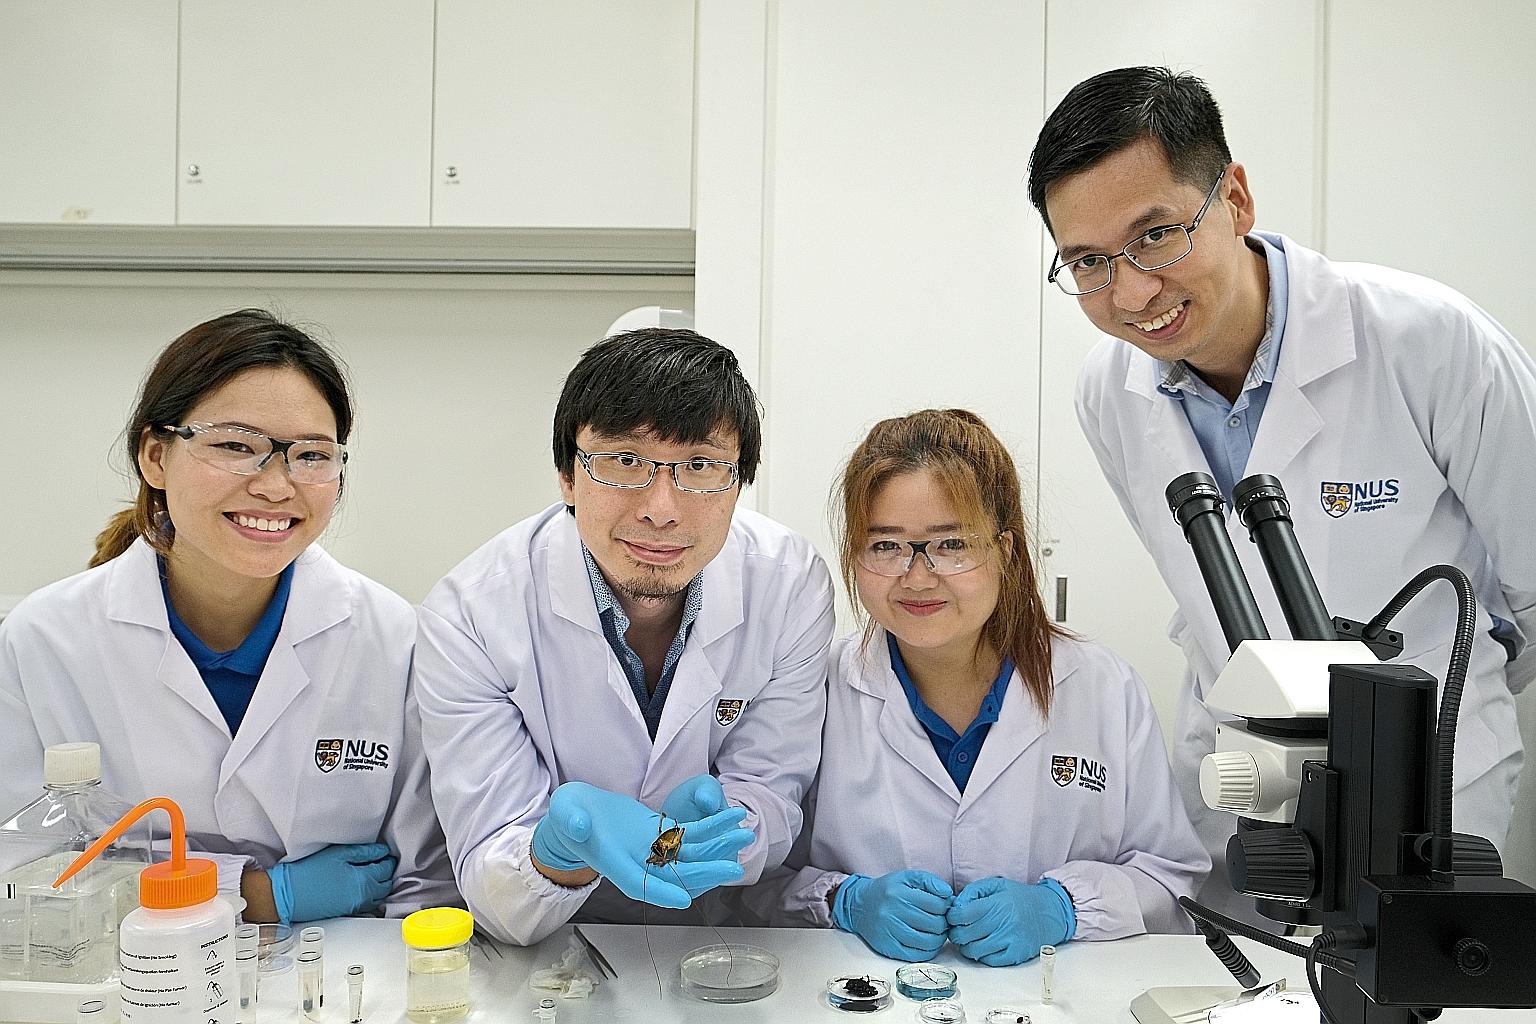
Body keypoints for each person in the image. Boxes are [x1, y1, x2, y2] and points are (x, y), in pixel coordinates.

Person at [1028, 66, 1536, 918]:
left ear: (1234, 197)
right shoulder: (1107, 389)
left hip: (1426, 787)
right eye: (1087, 261)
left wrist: (1440, 713)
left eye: (1155, 235)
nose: (1131, 292)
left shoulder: (1429, 342)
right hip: (1237, 772)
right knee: (1235, 995)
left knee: (1402, 998)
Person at [0, 310, 456, 924]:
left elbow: (427, 884)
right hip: (133, 991)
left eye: (312, 455)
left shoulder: (395, 640)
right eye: (236, 446)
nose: (276, 486)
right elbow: (19, 879)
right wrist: (254, 896)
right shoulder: (45, 641)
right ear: (155, 456)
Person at [414, 327, 835, 945]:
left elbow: (772, 796)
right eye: (624, 462)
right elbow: (489, 875)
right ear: (566, 475)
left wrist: (730, 826)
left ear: (739, 482)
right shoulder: (471, 614)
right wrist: (560, 850)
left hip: (718, 945)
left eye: (699, 466)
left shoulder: (790, 586)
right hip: (548, 955)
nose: (661, 507)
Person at [757, 409, 1207, 963]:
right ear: (854, 555)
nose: (917, 576)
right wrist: (842, 900)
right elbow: (749, 881)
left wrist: (1063, 909)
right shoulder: (815, 689)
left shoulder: (1102, 686)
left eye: (950, 544)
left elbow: (1172, 877)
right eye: (885, 546)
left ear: (1007, 552)